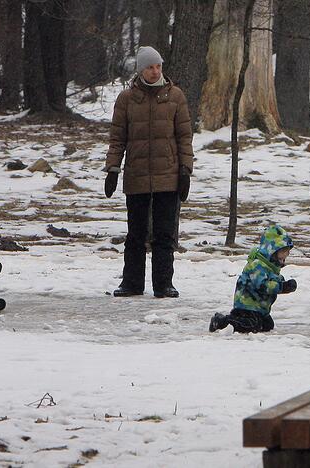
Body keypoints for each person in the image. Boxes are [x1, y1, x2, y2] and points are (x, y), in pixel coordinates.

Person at [104, 46, 195, 299]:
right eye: (150, 67)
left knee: (164, 234)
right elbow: (117, 137)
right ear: (141, 70)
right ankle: (132, 283)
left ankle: (164, 284)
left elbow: (184, 136)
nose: (155, 71)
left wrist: (185, 169)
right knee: (136, 234)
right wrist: (112, 168)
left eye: (158, 66)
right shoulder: (126, 99)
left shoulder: (175, 96)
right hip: (137, 174)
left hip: (168, 175)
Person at [209, 225, 297, 334]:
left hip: (259, 309)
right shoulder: (257, 265)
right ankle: (221, 322)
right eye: (283, 251)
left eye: (287, 251)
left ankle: (237, 322)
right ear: (271, 250)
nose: (286, 254)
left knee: (267, 325)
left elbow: (275, 284)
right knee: (251, 325)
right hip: (246, 306)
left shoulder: (271, 268)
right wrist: (282, 286)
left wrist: (286, 286)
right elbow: (263, 286)